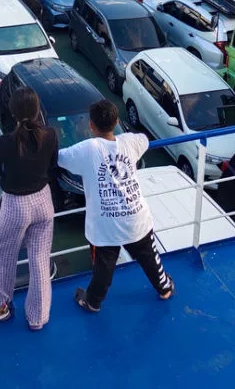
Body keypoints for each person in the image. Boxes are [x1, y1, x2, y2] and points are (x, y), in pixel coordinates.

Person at [58, 100, 174, 312]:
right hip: (135, 216)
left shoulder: (86, 149)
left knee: (104, 267)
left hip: (105, 225)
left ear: (91, 126)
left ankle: (93, 301)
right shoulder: (129, 142)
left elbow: (59, 158)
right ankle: (164, 287)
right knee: (148, 256)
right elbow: (144, 139)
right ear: (117, 122)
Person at [0, 88, 57, 330]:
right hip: (43, 201)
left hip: (16, 205)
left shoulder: (5, 143)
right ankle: (38, 318)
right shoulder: (50, 135)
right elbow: (52, 164)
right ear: (37, 109)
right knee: (39, 259)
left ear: (13, 112)